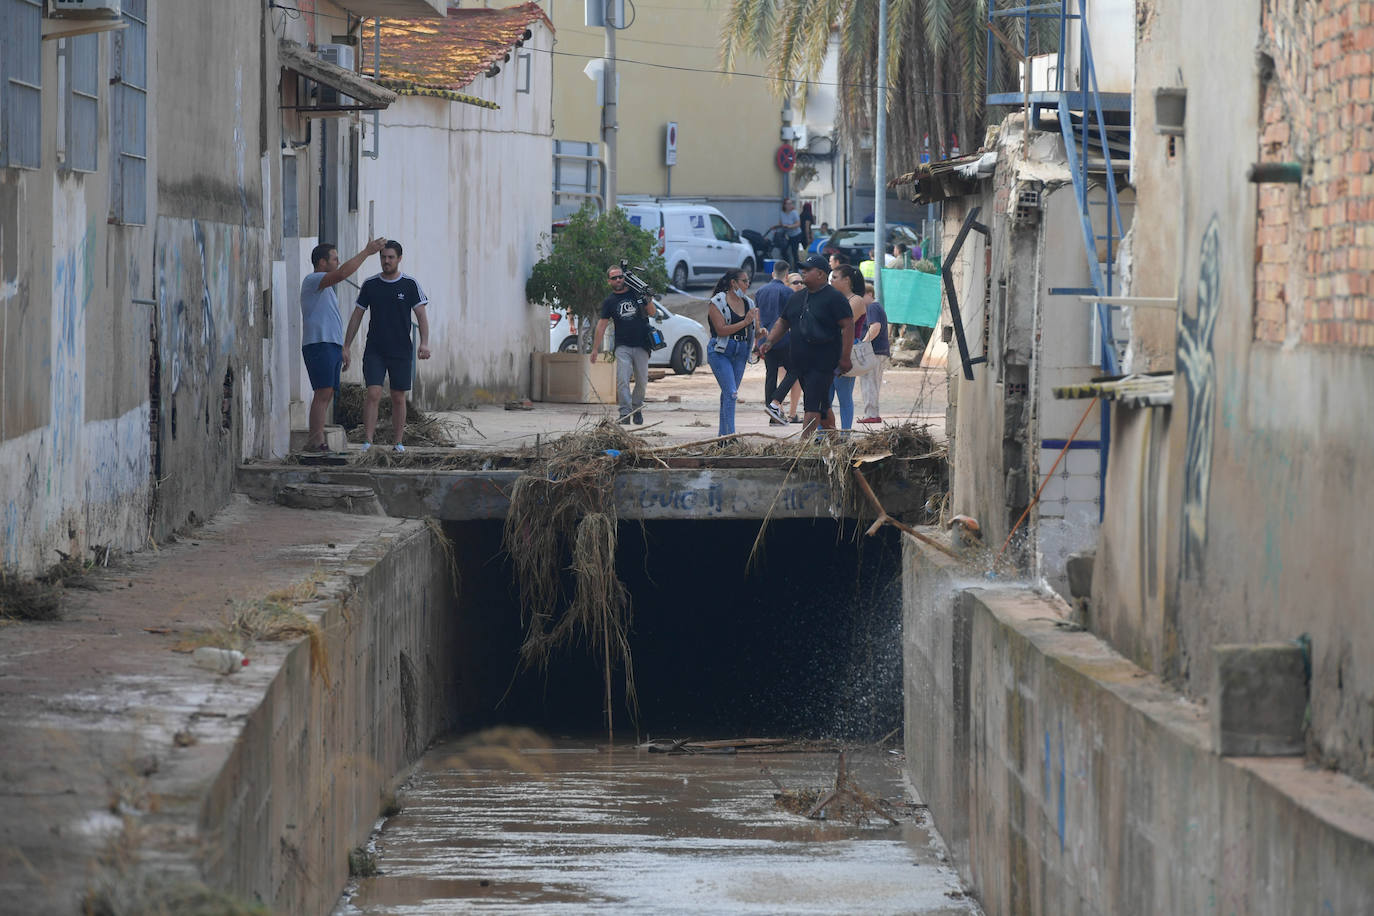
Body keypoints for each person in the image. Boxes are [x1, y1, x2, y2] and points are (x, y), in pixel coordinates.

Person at [299, 237, 387, 452]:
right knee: (322, 392)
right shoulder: (313, 280)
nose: (338, 262)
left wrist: (342, 348)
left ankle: (317, 440)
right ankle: (316, 441)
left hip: (330, 345)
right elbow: (342, 273)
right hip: (318, 344)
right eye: (334, 259)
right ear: (322, 262)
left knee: (327, 393)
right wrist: (366, 252)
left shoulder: (326, 288)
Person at [343, 240, 431, 452]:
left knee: (398, 397)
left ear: (399, 259)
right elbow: (357, 316)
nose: (386, 261)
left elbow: (421, 316)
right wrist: (346, 345)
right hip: (375, 349)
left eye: (391, 257)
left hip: (401, 350)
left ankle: (398, 442)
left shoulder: (409, 284)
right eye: (383, 257)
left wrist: (425, 343)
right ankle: (368, 441)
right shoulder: (370, 284)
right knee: (373, 393)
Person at [758, 255, 853, 437]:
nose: (803, 271)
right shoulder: (797, 297)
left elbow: (848, 326)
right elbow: (783, 322)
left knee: (812, 405)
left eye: (807, 269)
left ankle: (804, 448)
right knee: (822, 406)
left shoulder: (834, 298)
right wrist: (769, 341)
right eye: (803, 268)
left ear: (820, 274)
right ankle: (835, 442)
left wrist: (845, 357)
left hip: (823, 362)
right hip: (800, 362)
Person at [591, 264, 658, 425]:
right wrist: (595, 349)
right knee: (622, 379)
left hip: (642, 344)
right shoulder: (610, 301)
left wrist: (647, 298)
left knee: (642, 381)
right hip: (623, 346)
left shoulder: (636, 293)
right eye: (614, 278)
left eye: (621, 276)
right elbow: (601, 325)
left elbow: (652, 312)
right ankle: (625, 413)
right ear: (609, 281)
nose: (619, 279)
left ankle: (637, 409)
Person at [705, 269, 758, 436]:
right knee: (732, 393)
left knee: (728, 394)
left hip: (741, 351)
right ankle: (731, 436)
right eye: (744, 281)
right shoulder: (717, 302)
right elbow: (721, 330)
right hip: (721, 351)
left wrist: (759, 332)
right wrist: (745, 322)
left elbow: (751, 328)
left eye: (748, 281)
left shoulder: (748, 302)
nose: (747, 284)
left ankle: (723, 437)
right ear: (733, 283)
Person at [827, 264, 867, 431]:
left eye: (834, 278)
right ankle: (823, 434)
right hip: (829, 350)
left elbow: (839, 324)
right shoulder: (835, 298)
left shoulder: (856, 300)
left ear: (847, 280)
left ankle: (845, 434)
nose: (831, 281)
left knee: (844, 396)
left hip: (846, 351)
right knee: (825, 397)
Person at [751, 261, 792, 426]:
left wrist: (756, 340)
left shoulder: (760, 291)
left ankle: (772, 412)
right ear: (787, 275)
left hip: (765, 339)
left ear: (773, 273)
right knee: (795, 370)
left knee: (771, 374)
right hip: (784, 339)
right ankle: (776, 401)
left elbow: (757, 317)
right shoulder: (788, 292)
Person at [765, 272, 806, 423]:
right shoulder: (787, 296)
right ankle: (777, 409)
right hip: (785, 342)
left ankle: (791, 413)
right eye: (795, 282)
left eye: (801, 282)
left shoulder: (801, 298)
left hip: (781, 342)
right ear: (788, 284)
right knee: (786, 376)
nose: (800, 285)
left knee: (794, 380)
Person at [857, 287, 891, 424]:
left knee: (869, 382)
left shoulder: (872, 307)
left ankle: (871, 414)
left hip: (874, 351)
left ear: (869, 294)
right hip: (879, 351)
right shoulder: (876, 307)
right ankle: (872, 413)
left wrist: (863, 345)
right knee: (872, 382)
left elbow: (875, 327)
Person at [767, 198, 803, 265]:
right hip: (787, 235)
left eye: (790, 203)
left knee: (794, 251)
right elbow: (781, 224)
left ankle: (797, 268)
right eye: (788, 204)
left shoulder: (794, 213)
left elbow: (798, 224)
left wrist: (789, 226)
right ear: (784, 205)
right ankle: (787, 265)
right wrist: (775, 227)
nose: (789, 205)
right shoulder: (782, 213)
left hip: (795, 234)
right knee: (783, 250)